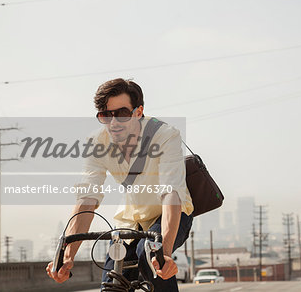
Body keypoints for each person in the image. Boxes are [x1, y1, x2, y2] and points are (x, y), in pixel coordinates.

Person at [46, 78, 194, 292]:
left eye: (122, 114)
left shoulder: (165, 135)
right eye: (106, 115)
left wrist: (166, 254)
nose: (114, 123)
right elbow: (87, 199)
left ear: (138, 111)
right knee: (112, 283)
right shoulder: (97, 143)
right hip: (131, 220)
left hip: (171, 214)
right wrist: (67, 257)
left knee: (151, 254)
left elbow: (171, 193)